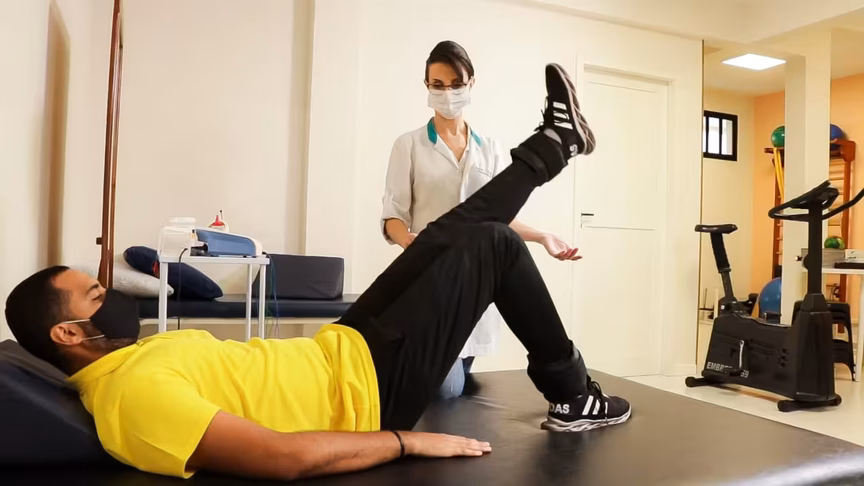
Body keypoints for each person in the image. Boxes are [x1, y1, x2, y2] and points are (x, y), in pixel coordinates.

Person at [5, 63, 622, 483]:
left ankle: (555, 144)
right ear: (68, 333)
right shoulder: (130, 396)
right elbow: (283, 457)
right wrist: (406, 441)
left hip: (343, 346)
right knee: (494, 245)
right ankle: (575, 394)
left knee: (445, 234)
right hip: (369, 395)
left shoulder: (129, 361)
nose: (111, 293)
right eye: (95, 293)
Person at [382, 41, 581, 399]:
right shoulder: (409, 144)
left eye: (456, 84)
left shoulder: (488, 146)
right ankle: (556, 144)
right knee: (445, 391)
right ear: (426, 86)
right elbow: (393, 215)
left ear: (471, 83)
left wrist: (542, 236)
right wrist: (411, 243)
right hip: (431, 275)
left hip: (476, 280)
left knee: (458, 383)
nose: (447, 93)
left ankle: (557, 143)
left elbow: (498, 212)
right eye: (438, 85)